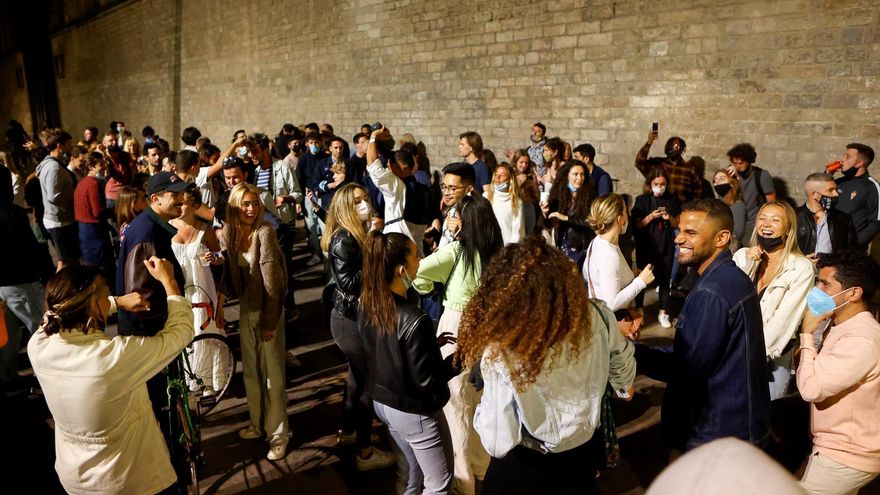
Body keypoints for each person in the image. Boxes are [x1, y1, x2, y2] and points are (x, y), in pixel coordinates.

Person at [456, 237, 636, 494]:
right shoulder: (598, 315)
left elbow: (498, 441)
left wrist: (482, 411)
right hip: (582, 459)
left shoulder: (503, 348)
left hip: (527, 468)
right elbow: (624, 380)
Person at [27, 259, 193, 495]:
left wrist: (116, 303)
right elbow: (180, 332)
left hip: (76, 479)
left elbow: (52, 315)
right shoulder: (114, 358)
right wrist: (169, 282)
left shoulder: (38, 345)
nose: (109, 299)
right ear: (94, 305)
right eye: (106, 296)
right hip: (132, 480)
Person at [635, 199, 770, 453]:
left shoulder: (711, 292)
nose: (678, 239)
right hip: (734, 426)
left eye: (691, 233)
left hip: (718, 433)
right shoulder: (729, 277)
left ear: (721, 238)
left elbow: (687, 368)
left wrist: (629, 352)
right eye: (679, 231)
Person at [414, 194, 502, 494]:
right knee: (483, 400)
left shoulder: (456, 252)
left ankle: (463, 480)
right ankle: (481, 467)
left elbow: (419, 273)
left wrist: (431, 287)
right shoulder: (498, 254)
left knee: (456, 405)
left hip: (457, 326)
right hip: (491, 329)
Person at [359, 231, 456, 495]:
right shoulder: (415, 319)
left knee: (412, 474)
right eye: (416, 256)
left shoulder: (368, 302)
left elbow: (385, 348)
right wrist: (459, 360)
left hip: (383, 403)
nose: (421, 260)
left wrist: (428, 346)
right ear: (402, 270)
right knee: (439, 484)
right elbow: (427, 384)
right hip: (414, 412)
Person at [320, 183, 396, 471]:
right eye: (357, 202)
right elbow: (349, 283)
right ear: (344, 208)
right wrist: (377, 258)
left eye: (365, 199)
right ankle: (365, 450)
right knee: (368, 381)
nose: (365, 205)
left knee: (356, 377)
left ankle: (349, 431)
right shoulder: (344, 239)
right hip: (349, 321)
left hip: (353, 318)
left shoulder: (356, 234)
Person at [797, 250, 880, 495]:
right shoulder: (840, 325)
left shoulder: (862, 339)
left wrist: (806, 335)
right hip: (838, 448)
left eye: (825, 284)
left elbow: (812, 388)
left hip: (846, 455)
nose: (816, 290)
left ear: (854, 293)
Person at [220, 183, 289, 460]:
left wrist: (270, 323)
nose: (251, 209)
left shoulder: (265, 234)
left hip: (268, 311)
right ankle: (257, 424)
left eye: (255, 203)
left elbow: (275, 287)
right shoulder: (232, 233)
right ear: (235, 207)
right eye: (245, 204)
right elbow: (230, 273)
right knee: (251, 372)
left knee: (273, 376)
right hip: (247, 309)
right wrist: (222, 299)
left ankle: (279, 436)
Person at [733, 201, 814, 400]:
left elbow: (784, 320)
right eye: (763, 218)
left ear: (789, 228)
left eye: (775, 220)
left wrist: (751, 356)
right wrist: (748, 266)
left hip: (770, 358)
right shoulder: (743, 256)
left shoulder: (800, 268)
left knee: (765, 417)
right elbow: (731, 302)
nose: (766, 224)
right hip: (735, 349)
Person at [169, 185, 228, 396]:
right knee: (185, 331)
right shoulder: (168, 227)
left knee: (204, 330)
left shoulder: (205, 229)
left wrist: (214, 258)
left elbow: (220, 258)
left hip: (203, 289)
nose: (179, 206)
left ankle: (210, 381)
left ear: (195, 205)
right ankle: (190, 379)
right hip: (179, 288)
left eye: (183, 203)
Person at [586, 193, 656, 332]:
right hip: (608, 325)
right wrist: (641, 282)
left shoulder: (598, 241)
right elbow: (610, 304)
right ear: (619, 219)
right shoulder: (609, 255)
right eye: (625, 212)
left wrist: (629, 275)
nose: (627, 216)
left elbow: (597, 275)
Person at [367, 126, 436, 257]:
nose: (388, 168)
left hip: (398, 249)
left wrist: (373, 137)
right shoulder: (424, 191)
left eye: (391, 165)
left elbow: (372, 164)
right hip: (417, 251)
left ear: (402, 168)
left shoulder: (396, 186)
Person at [631, 169, 680, 328]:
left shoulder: (672, 201)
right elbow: (637, 225)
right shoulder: (642, 200)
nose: (660, 187)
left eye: (662, 184)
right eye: (656, 184)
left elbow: (677, 224)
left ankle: (663, 312)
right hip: (647, 245)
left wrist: (668, 218)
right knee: (642, 278)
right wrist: (651, 216)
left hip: (665, 244)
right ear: (650, 184)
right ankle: (639, 310)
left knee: (665, 279)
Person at [37, 129, 79, 270]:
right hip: (60, 221)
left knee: (69, 260)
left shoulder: (54, 164)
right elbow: (54, 196)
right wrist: (74, 200)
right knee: (64, 262)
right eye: (68, 144)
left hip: (61, 219)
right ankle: (58, 291)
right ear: (60, 146)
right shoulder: (53, 167)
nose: (71, 147)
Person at [541, 160, 596, 262]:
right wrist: (545, 213)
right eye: (575, 174)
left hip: (581, 247)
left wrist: (567, 218)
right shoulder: (558, 194)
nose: (579, 178)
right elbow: (549, 225)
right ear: (567, 175)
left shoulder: (590, 196)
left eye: (582, 174)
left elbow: (590, 223)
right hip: (562, 245)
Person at [74, 151, 115, 283]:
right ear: (91, 167)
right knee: (101, 269)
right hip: (94, 232)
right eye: (100, 164)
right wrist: (116, 209)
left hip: (84, 230)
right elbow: (98, 212)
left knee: (90, 268)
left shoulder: (82, 183)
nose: (104, 167)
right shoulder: (93, 184)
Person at [830, 143, 878, 250]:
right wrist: (827, 174)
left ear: (859, 162)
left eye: (848, 157)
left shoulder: (871, 187)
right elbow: (816, 196)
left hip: (850, 253)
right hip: (829, 247)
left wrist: (854, 244)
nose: (842, 160)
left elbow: (876, 222)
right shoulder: (838, 182)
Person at [796, 172, 857, 257]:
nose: (836, 194)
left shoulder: (844, 219)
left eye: (835, 189)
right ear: (814, 194)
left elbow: (851, 252)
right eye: (830, 190)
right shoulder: (793, 217)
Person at [635, 129, 702, 204]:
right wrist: (649, 142)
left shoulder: (689, 169)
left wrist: (691, 207)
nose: (673, 150)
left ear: (681, 150)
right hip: (657, 205)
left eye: (676, 147)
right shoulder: (658, 164)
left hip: (680, 208)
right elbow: (639, 163)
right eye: (671, 147)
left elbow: (697, 191)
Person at [725, 143, 776, 242]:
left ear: (749, 162)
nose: (737, 166)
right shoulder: (731, 174)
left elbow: (772, 203)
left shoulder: (762, 176)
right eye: (735, 163)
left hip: (752, 223)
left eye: (741, 163)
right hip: (734, 221)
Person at [484, 162, 526, 244]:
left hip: (506, 248)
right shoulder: (486, 196)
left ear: (510, 179)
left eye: (502, 175)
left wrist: (511, 249)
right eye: (496, 174)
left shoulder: (516, 201)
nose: (498, 177)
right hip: (488, 245)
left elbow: (517, 230)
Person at [713, 169, 747, 250]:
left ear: (732, 183)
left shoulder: (738, 205)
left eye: (722, 179)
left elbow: (737, 233)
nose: (717, 182)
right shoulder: (717, 205)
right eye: (715, 180)